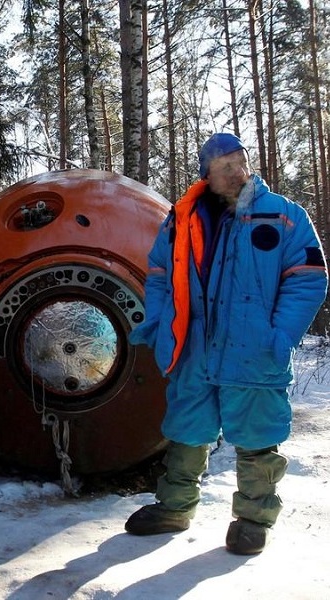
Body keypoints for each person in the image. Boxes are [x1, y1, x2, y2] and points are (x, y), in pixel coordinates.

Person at [125, 133, 327, 555]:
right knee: (186, 430)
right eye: (224, 167)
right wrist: (163, 322)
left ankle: (253, 521)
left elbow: (308, 278)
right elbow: (160, 272)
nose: (236, 172)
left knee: (257, 436)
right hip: (197, 346)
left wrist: (280, 334)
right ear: (207, 177)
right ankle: (175, 508)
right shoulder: (182, 219)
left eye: (239, 162)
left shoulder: (284, 216)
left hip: (254, 348)